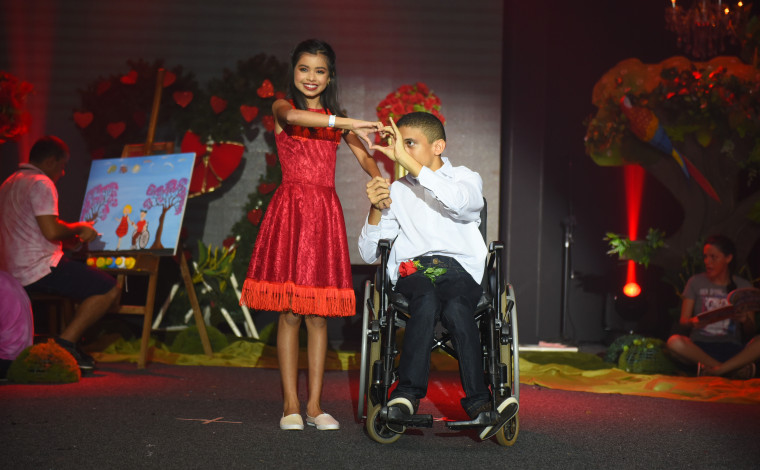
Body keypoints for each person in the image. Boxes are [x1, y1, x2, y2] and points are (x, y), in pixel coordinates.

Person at [239, 39, 387, 431]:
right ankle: (290, 404)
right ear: (293, 72)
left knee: (318, 316)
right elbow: (297, 119)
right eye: (304, 69)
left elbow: (366, 158)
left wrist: (381, 180)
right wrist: (347, 123)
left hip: (323, 215)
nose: (311, 77)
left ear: (329, 76)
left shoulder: (337, 120)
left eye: (319, 71)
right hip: (291, 211)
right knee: (290, 312)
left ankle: (315, 406)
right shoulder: (283, 107)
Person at [358, 112, 518, 440]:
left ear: (438, 146)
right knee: (426, 298)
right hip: (415, 269)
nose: (401, 150)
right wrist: (376, 208)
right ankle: (406, 396)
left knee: (458, 306)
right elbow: (369, 253)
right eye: (400, 143)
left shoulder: (465, 178)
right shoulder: (397, 190)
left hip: (459, 269)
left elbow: (461, 204)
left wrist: (411, 165)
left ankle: (480, 402)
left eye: (410, 143)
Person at [0, 136, 121, 372]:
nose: (63, 173)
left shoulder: (8, 184)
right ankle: (64, 345)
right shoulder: (40, 182)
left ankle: (63, 344)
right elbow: (52, 230)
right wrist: (80, 228)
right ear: (50, 161)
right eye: (62, 165)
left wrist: (67, 242)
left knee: (78, 274)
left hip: (8, 274)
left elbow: (27, 231)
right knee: (109, 289)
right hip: (36, 269)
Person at [666, 235, 759, 379]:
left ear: (728, 258)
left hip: (732, 348)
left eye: (713, 257)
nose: (707, 262)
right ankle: (728, 370)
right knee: (674, 342)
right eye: (705, 257)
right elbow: (683, 321)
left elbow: (750, 330)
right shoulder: (695, 282)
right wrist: (692, 322)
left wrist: (744, 320)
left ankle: (717, 370)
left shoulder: (743, 285)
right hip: (700, 349)